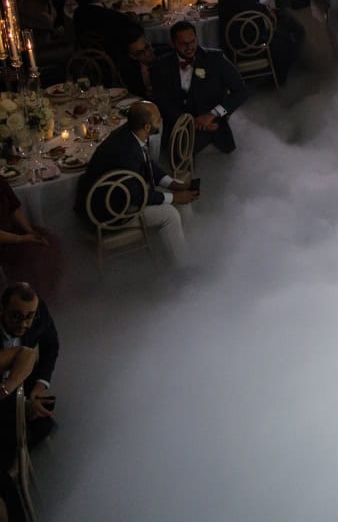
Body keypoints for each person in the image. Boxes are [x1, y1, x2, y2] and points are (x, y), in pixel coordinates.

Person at [74, 102, 198, 267]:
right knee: (170, 214)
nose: (161, 121)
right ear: (147, 126)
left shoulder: (130, 133)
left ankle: (191, 247)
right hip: (109, 212)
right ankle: (184, 268)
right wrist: (174, 197)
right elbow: (136, 195)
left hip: (120, 196)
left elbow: (148, 164)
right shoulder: (125, 151)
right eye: (158, 119)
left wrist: (173, 185)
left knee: (183, 198)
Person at [149, 21, 248, 156]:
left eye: (193, 41)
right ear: (173, 43)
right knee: (172, 153)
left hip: (211, 118)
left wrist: (213, 114)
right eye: (184, 44)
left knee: (184, 151)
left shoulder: (215, 59)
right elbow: (161, 101)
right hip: (179, 121)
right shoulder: (160, 65)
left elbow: (240, 91)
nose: (190, 47)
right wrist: (190, 122)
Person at [0, 284, 60, 445]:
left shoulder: (39, 314)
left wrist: (37, 390)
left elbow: (50, 346)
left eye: (29, 317)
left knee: (45, 422)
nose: (23, 324)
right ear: (2, 309)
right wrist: (21, 405)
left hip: (21, 380)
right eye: (15, 316)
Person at [0, 177, 63, 297]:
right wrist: (22, 238)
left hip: (13, 231)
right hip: (4, 242)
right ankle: (31, 297)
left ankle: (51, 289)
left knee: (51, 240)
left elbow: (15, 208)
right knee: (37, 255)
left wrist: (30, 231)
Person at [121, 30, 156, 99]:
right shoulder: (129, 71)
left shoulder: (166, 56)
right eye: (140, 53)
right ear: (133, 56)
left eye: (147, 47)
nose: (147, 53)